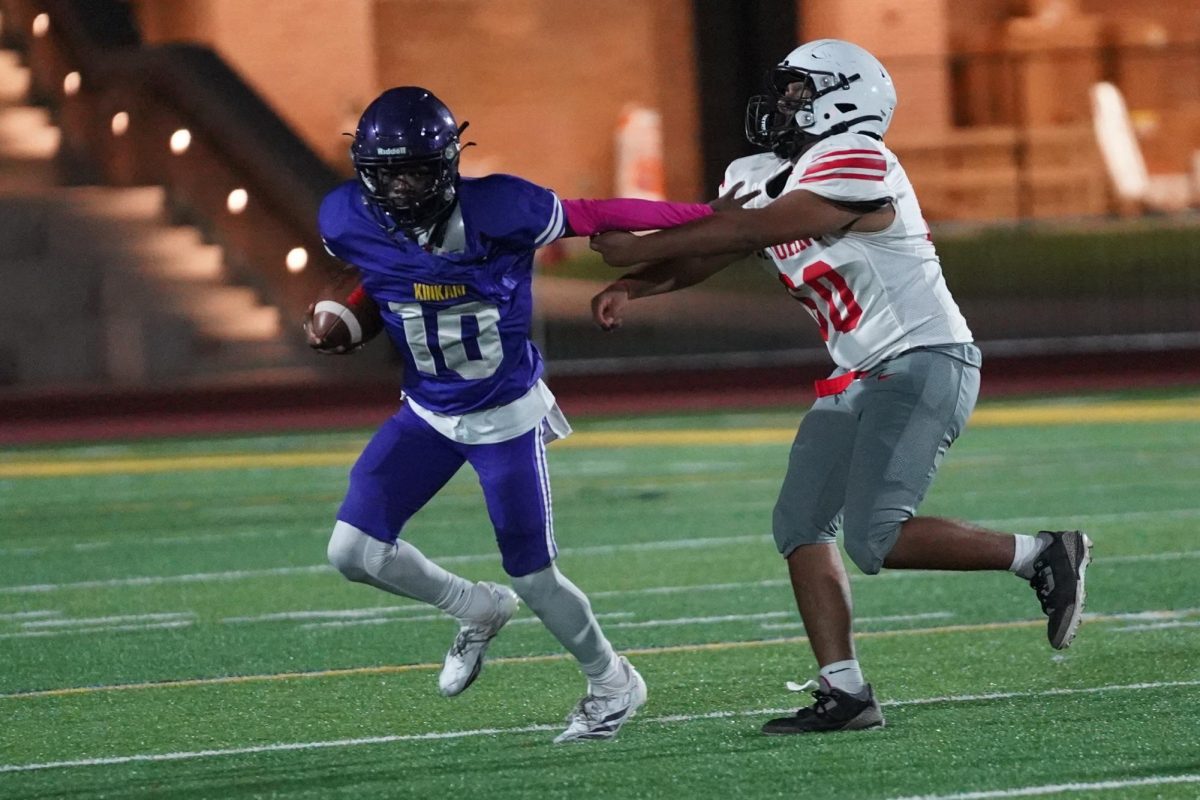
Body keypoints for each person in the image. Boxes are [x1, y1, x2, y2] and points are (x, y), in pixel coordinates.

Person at [588, 39, 1093, 735]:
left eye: (801, 90)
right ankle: (845, 692)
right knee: (799, 525)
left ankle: (1042, 554)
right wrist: (631, 285)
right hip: (856, 371)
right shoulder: (767, 172)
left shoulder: (859, 157)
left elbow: (749, 225)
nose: (787, 102)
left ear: (847, 96)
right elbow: (717, 243)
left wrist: (636, 245)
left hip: (922, 357)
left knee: (876, 539)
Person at [312, 86, 732, 743]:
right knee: (351, 551)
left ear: (448, 163)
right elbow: (379, 272)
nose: (399, 189)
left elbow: (597, 212)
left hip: (504, 413)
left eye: (414, 171)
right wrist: (343, 315)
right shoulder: (344, 216)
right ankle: (475, 608)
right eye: (385, 174)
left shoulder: (500, 206)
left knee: (535, 576)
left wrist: (708, 216)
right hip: (426, 410)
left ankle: (614, 681)